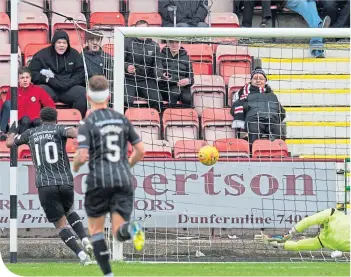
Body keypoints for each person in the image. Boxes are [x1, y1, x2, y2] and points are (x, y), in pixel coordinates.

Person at [73, 76, 145, 277]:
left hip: (98, 179)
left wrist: (76, 165)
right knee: (118, 231)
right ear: (109, 96)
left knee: (96, 231)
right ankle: (131, 228)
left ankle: (108, 275)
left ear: (88, 97)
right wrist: (126, 165)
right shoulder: (122, 119)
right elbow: (140, 150)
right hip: (123, 178)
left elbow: (82, 155)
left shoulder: (88, 122)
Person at [6, 107, 95, 266]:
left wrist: (12, 131)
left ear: (41, 119)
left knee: (60, 225)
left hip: (45, 184)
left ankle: (81, 255)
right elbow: (76, 134)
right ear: (56, 119)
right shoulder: (60, 129)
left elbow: (10, 143)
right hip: (65, 181)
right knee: (69, 211)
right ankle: (85, 239)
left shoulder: (31, 133)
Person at [29, 30, 87, 118]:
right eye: (59, 42)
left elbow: (81, 73)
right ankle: (43, 123)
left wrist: (70, 83)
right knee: (38, 91)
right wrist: (47, 79)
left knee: (83, 93)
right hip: (50, 88)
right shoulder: (42, 54)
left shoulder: (74, 54)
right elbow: (32, 72)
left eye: (64, 43)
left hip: (69, 88)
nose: (62, 45)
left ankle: (77, 121)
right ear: (54, 43)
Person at [230, 67, 285, 148]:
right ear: (251, 81)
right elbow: (235, 108)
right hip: (254, 120)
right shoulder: (244, 94)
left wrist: (275, 117)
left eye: (261, 79)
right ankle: (253, 155)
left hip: (272, 120)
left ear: (265, 81)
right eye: (255, 78)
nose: (258, 81)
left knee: (278, 131)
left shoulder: (272, 95)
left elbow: (281, 112)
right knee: (254, 132)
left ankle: (277, 154)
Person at [255, 208, 350, 253]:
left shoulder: (331, 213)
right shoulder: (322, 240)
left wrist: (289, 234)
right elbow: (298, 245)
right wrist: (273, 243)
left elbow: (308, 221)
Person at [0, 67, 56, 138]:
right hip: (19, 123)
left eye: (27, 77)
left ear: (30, 78)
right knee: (25, 120)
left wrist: (51, 120)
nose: (25, 80)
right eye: (22, 78)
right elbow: (8, 108)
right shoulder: (13, 90)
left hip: (35, 122)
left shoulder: (38, 90)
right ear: (18, 79)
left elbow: (50, 106)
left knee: (38, 121)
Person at [124, 20, 163, 112]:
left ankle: (154, 123)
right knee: (125, 101)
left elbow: (158, 63)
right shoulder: (126, 42)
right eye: (140, 30)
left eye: (144, 29)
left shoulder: (154, 45)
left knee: (157, 101)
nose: (142, 32)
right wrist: (127, 67)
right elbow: (118, 60)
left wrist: (158, 73)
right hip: (128, 79)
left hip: (147, 79)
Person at [159, 40, 194, 107]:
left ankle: (186, 116)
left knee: (188, 98)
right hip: (166, 87)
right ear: (167, 43)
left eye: (177, 42)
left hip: (183, 88)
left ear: (180, 43)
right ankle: (169, 115)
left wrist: (188, 81)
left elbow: (191, 78)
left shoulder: (186, 58)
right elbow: (157, 73)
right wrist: (162, 76)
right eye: (171, 42)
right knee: (174, 93)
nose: (174, 45)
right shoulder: (161, 56)